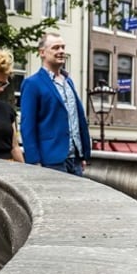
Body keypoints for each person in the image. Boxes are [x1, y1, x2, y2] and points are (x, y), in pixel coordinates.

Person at [19, 32, 92, 175]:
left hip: (75, 159)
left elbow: (76, 117)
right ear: (42, 53)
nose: (61, 51)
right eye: (56, 48)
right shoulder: (32, 84)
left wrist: (82, 153)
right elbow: (27, 126)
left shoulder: (68, 81)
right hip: (51, 161)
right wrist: (34, 162)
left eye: (63, 47)